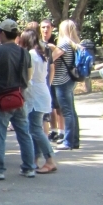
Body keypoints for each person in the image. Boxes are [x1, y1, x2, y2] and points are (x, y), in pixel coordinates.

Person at [0, 19, 35, 179]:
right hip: (19, 97)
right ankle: (29, 167)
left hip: (1, 98)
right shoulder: (24, 52)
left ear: (3, 33)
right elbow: (29, 73)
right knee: (24, 134)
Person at [18, 29, 57, 173]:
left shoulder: (31, 55)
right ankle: (35, 159)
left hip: (35, 94)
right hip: (41, 91)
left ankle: (50, 159)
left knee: (35, 129)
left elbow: (28, 76)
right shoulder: (41, 54)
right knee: (35, 128)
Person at [51, 19, 81, 151]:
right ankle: (74, 140)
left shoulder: (64, 43)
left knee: (67, 111)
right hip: (70, 79)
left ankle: (68, 141)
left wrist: (51, 48)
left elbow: (51, 57)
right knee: (71, 111)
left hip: (61, 80)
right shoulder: (74, 43)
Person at [40, 18, 61, 141]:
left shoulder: (56, 42)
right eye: (43, 27)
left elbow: (53, 62)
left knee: (56, 107)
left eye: (48, 27)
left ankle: (57, 130)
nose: (45, 29)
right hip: (43, 79)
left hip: (55, 78)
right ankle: (52, 131)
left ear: (52, 28)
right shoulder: (38, 43)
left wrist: (53, 49)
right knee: (49, 107)